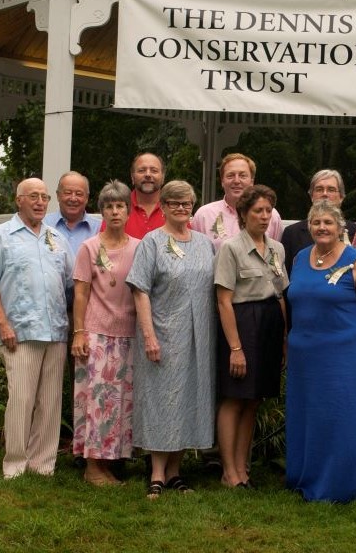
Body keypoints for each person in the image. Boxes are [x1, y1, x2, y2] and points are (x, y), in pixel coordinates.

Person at [286, 200, 356, 502]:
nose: (322, 228)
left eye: (328, 223)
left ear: (341, 227)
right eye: (316, 223)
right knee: (309, 416)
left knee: (340, 418)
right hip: (305, 355)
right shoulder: (301, 259)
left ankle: (342, 487)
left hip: (343, 355)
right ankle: (305, 478)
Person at [0, 178, 73, 479]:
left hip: (56, 332)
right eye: (33, 196)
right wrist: (3, 324)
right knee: (21, 399)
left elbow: (71, 284)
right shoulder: (2, 236)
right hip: (19, 332)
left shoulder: (56, 238)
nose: (40, 202)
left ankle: (42, 465)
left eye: (45, 197)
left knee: (50, 401)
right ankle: (15, 465)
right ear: (18, 200)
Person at [126, 180, 216, 499]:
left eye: (186, 203)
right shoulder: (152, 242)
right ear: (163, 206)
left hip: (199, 337)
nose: (181, 208)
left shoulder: (206, 244)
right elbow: (140, 289)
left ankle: (177, 472)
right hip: (163, 333)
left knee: (188, 400)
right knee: (162, 401)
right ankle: (156, 473)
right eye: (175, 203)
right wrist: (149, 335)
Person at [214, 184, 287, 488]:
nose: (264, 216)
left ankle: (243, 468)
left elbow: (281, 294)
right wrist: (235, 348)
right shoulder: (231, 248)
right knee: (234, 398)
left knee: (254, 400)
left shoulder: (276, 249)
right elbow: (223, 300)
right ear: (243, 214)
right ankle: (228, 471)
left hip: (269, 324)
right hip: (242, 325)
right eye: (258, 210)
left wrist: (283, 338)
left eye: (268, 210)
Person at [70, 180, 139, 486]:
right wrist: (79, 332)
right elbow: (81, 294)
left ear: (128, 210)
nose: (115, 211)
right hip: (96, 334)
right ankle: (92, 467)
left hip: (128, 334)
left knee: (121, 401)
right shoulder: (89, 247)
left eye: (120, 205)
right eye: (109, 206)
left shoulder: (139, 247)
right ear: (101, 212)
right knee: (97, 401)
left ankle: (111, 463)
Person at [193, 153, 283, 250]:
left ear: (252, 181)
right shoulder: (204, 215)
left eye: (242, 176)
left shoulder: (271, 215)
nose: (236, 181)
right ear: (222, 181)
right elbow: (197, 256)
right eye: (230, 176)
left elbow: (274, 255)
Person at [281, 169, 356, 276]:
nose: (324, 194)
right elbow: (285, 279)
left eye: (331, 190)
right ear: (311, 196)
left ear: (341, 197)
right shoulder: (292, 233)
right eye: (319, 189)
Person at [44, 171, 102, 259]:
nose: (73, 198)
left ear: (87, 198)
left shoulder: (100, 229)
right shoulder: (43, 225)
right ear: (58, 195)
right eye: (68, 193)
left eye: (79, 194)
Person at [123, 151, 166, 239]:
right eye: (141, 170)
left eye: (154, 171)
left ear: (163, 177)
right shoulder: (118, 207)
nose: (148, 174)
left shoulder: (176, 208)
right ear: (132, 177)